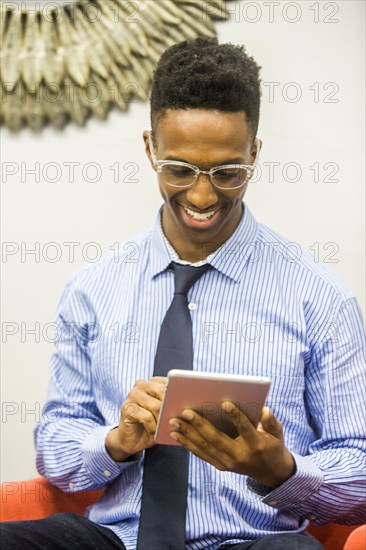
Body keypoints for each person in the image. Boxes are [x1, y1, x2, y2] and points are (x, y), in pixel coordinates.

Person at [1, 38, 365, 550]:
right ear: (150, 148)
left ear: (254, 154)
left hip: (251, 543)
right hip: (117, 540)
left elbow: (361, 468)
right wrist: (116, 442)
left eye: (228, 173)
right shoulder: (92, 289)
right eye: (179, 169)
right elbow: (56, 445)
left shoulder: (321, 299)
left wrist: (283, 470)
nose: (201, 196)